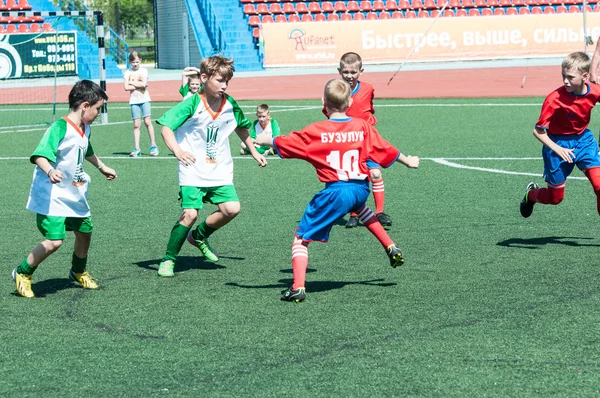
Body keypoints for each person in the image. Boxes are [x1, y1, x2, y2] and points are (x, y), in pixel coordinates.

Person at [255, 78, 419, 302]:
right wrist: (407, 160)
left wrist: (267, 140)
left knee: (300, 239)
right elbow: (384, 148)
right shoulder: (362, 126)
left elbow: (290, 143)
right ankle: (390, 246)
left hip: (336, 191)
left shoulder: (317, 130)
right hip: (361, 187)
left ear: (323, 101)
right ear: (350, 101)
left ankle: (298, 287)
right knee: (360, 207)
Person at [155, 55, 267, 277]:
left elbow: (241, 126)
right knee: (190, 214)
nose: (224, 86)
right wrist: (178, 151)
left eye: (227, 81)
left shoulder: (229, 104)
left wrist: (254, 151)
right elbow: (166, 127)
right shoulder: (192, 103)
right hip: (192, 167)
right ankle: (169, 259)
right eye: (219, 81)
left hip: (219, 167)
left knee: (232, 209)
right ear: (204, 78)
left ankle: (198, 236)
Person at [12, 80, 117, 298]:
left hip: (74, 193)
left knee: (85, 232)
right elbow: (40, 155)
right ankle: (22, 272)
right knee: (54, 241)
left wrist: (102, 166)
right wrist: (50, 171)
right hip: (52, 195)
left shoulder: (85, 128)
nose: (99, 113)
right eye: (98, 108)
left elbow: (86, 150)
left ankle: (78, 271)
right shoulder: (60, 127)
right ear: (85, 105)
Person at [520, 51, 600, 219]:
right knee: (555, 198)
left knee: (599, 186)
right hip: (557, 144)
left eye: (570, 77)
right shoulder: (554, 99)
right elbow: (538, 131)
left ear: (585, 76)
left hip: (584, 141)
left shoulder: (595, 91)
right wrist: (557, 148)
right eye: (563, 76)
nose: (565, 81)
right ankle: (531, 195)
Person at [324, 52, 391, 228]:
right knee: (354, 177)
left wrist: (368, 125)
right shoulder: (335, 90)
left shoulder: (368, 89)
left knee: (375, 173)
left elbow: (369, 110)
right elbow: (330, 113)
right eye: (346, 72)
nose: (349, 76)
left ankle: (380, 212)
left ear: (361, 71)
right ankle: (354, 214)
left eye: (353, 72)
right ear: (339, 71)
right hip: (347, 142)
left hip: (367, 141)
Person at [123, 51, 159, 157]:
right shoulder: (127, 73)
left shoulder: (143, 71)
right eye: (133, 62)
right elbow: (126, 87)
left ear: (140, 61)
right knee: (136, 125)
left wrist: (132, 83)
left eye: (137, 62)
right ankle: (137, 148)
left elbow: (144, 84)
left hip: (144, 100)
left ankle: (153, 146)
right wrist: (139, 85)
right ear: (130, 62)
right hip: (134, 101)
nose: (135, 64)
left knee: (147, 122)